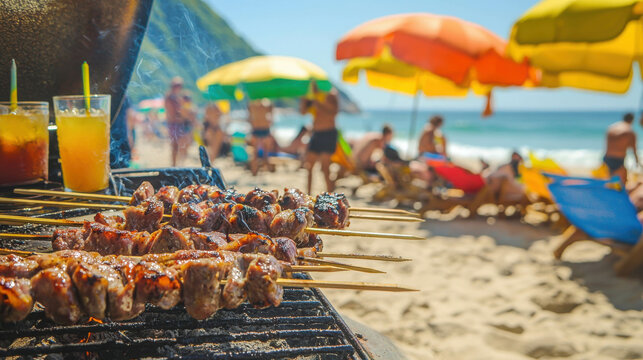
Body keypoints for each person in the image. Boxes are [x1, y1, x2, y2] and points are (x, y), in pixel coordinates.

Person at [300, 81, 339, 194]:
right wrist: (305, 97)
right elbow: (303, 112)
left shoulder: (331, 93)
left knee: (325, 169)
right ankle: (308, 194)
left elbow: (333, 112)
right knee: (309, 166)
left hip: (328, 133)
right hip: (316, 134)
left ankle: (331, 196)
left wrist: (318, 100)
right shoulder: (312, 96)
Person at [164, 77, 195, 166]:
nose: (178, 87)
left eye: (179, 86)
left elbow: (185, 111)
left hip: (181, 124)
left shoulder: (179, 97)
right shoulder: (170, 97)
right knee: (175, 146)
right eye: (176, 85)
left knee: (184, 145)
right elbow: (173, 114)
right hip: (174, 124)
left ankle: (179, 164)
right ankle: (174, 165)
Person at [603, 113, 640, 183]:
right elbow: (634, 149)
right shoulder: (629, 131)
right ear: (632, 120)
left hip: (607, 157)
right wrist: (637, 161)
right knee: (622, 183)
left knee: (609, 182)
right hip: (618, 159)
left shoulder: (611, 128)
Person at [248, 99, 277, 175]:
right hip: (259, 128)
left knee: (265, 153)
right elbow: (250, 117)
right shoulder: (253, 104)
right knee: (256, 153)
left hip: (263, 128)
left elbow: (271, 114)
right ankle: (254, 172)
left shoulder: (265, 103)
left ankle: (260, 171)